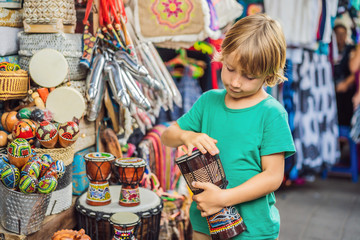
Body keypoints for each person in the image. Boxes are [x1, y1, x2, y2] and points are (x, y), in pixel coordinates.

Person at [161, 14, 296, 240]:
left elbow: (273, 176)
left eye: (249, 76)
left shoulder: (271, 113)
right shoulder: (208, 101)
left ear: (269, 75)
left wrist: (224, 198)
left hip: (253, 230)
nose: (235, 82)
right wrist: (187, 136)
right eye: (230, 68)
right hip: (204, 223)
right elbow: (167, 136)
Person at [332, 23, 356, 126]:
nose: (340, 37)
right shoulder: (330, 51)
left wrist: (346, 83)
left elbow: (356, 71)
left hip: (346, 91)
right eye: (337, 34)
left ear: (346, 35)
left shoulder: (351, 49)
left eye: (343, 34)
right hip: (333, 91)